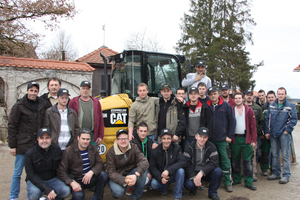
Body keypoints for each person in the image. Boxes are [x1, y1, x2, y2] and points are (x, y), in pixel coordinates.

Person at [8, 81, 47, 200]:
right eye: (31, 90)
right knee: (17, 173)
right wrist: (12, 145)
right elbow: (12, 125)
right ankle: (13, 196)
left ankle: (35, 193)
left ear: (38, 92)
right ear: (27, 91)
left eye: (35, 91)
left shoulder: (42, 104)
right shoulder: (19, 106)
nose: (33, 93)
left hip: (37, 145)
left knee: (35, 172)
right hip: (23, 145)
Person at [57, 128, 108, 200]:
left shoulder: (93, 148)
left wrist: (91, 172)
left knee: (103, 175)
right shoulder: (69, 152)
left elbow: (100, 163)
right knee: (79, 197)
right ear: (78, 138)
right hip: (76, 180)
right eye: (83, 139)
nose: (85, 141)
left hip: (89, 178)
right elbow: (61, 172)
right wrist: (71, 182)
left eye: (87, 139)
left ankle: (97, 198)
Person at [25, 128, 70, 200]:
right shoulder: (30, 154)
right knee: (34, 194)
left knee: (66, 190)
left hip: (52, 179)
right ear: (38, 139)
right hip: (36, 180)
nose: (44, 141)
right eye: (41, 138)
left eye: (47, 138)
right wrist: (47, 189)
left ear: (51, 139)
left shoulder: (57, 150)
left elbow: (62, 167)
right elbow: (31, 175)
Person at [265, 87, 298, 184]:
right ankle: (276, 173)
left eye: (282, 94)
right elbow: (268, 119)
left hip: (284, 134)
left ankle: (286, 175)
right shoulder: (272, 105)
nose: (280, 95)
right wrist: (267, 131)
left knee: (285, 155)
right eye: (279, 94)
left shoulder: (290, 106)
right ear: (277, 95)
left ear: (285, 94)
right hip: (273, 134)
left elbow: (293, 119)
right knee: (274, 154)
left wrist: (287, 130)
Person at [207, 87, 236, 192]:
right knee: (212, 161)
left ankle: (228, 182)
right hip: (210, 139)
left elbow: (232, 121)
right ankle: (214, 180)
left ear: (218, 94)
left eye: (214, 93)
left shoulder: (226, 106)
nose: (213, 96)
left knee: (225, 160)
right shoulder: (207, 106)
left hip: (222, 139)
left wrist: (230, 135)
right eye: (210, 94)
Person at [106, 129, 149, 200]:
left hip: (131, 173)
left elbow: (144, 161)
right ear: (116, 140)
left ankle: (135, 197)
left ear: (128, 139)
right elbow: (111, 172)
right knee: (118, 192)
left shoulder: (134, 147)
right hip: (117, 175)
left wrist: (136, 175)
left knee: (142, 173)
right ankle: (115, 194)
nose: (123, 141)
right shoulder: (111, 153)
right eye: (121, 139)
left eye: (125, 138)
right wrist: (124, 180)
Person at [184, 127, 222, 200]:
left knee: (218, 171)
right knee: (189, 185)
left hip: (206, 171)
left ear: (207, 138)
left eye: (204, 137)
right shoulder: (189, 147)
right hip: (193, 171)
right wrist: (193, 177)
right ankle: (193, 188)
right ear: (196, 136)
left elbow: (214, 162)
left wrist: (201, 173)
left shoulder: (212, 147)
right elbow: (187, 164)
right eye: (200, 136)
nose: (202, 139)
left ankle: (212, 193)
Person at [149, 128, 186, 200]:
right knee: (154, 184)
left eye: (168, 138)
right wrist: (160, 178)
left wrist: (169, 170)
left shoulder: (177, 148)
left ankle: (177, 196)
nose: (166, 141)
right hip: (161, 176)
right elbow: (152, 167)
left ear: (172, 139)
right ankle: (164, 188)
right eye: (164, 138)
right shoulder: (155, 151)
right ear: (161, 139)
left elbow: (183, 161)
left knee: (181, 171)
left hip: (172, 175)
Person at [231, 92, 257, 190]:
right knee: (235, 160)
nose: (237, 100)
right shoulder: (231, 109)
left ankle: (249, 182)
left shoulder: (249, 110)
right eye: (236, 98)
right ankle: (237, 179)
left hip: (246, 138)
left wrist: (253, 140)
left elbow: (253, 126)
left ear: (243, 99)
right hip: (235, 138)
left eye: (239, 98)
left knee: (247, 162)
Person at [69, 81, 104, 146]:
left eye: (87, 89)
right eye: (83, 88)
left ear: (90, 90)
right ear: (80, 89)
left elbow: (100, 119)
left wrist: (100, 136)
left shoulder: (96, 102)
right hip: (78, 135)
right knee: (78, 155)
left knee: (92, 154)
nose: (85, 90)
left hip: (92, 135)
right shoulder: (73, 102)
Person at [244, 89, 265, 181]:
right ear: (244, 96)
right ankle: (243, 173)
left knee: (253, 154)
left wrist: (258, 131)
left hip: (253, 135)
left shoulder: (257, 108)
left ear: (253, 97)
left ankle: (253, 173)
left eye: (250, 95)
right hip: (242, 134)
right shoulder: (240, 106)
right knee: (242, 155)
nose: (249, 97)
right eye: (247, 95)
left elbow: (261, 121)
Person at [130, 122, 157, 191]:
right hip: (136, 167)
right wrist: (146, 172)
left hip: (147, 166)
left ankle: (144, 184)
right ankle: (132, 187)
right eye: (141, 131)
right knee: (144, 176)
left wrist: (150, 171)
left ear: (147, 132)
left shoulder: (150, 141)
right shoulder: (133, 142)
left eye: (145, 131)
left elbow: (151, 159)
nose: (143, 133)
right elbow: (133, 161)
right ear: (137, 131)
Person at [260, 90, 276, 176]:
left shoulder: (277, 107)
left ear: (275, 98)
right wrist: (263, 133)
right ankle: (264, 168)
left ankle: (274, 169)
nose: (270, 99)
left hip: (276, 134)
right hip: (266, 134)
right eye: (269, 97)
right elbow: (262, 121)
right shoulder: (264, 108)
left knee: (275, 152)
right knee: (265, 152)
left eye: (272, 97)